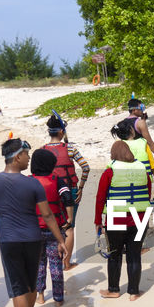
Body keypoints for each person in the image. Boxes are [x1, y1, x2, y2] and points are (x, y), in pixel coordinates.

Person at [0, 138, 68, 307]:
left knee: (18, 287)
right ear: (17, 157)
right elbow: (47, 216)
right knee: (31, 283)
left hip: (10, 241)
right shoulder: (32, 183)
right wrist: (60, 239)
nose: (29, 159)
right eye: (26, 154)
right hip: (33, 238)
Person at [93, 140, 151, 300]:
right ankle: (134, 292)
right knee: (134, 255)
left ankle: (113, 290)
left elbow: (100, 198)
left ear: (114, 155)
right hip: (140, 218)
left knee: (114, 254)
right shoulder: (143, 170)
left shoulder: (109, 172)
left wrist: (98, 220)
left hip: (116, 218)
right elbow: (148, 191)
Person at [42, 113, 90, 265]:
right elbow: (86, 168)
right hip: (71, 191)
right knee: (69, 226)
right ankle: (67, 264)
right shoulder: (70, 149)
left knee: (53, 224)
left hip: (50, 193)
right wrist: (81, 187)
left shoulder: (42, 151)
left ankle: (54, 261)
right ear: (62, 132)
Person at [29, 148, 69, 307]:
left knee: (39, 264)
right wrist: (69, 218)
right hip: (54, 230)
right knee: (55, 265)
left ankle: (40, 296)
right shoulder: (57, 180)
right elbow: (67, 197)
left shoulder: (28, 181)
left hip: (34, 231)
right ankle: (59, 300)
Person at [122, 98, 154, 201]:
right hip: (142, 151)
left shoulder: (123, 123)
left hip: (128, 153)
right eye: (141, 108)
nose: (143, 109)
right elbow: (149, 142)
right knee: (152, 167)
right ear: (134, 110)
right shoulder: (140, 123)